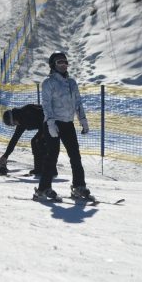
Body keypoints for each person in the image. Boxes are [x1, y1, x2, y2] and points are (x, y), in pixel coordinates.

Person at [34, 52, 92, 201]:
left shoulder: (72, 83)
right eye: (60, 62)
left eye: (65, 62)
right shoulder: (49, 83)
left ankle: (79, 186)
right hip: (53, 123)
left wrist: (83, 120)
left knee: (75, 155)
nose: (64, 64)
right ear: (53, 64)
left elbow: (78, 103)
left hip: (68, 123)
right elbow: (46, 105)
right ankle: (43, 188)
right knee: (52, 155)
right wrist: (50, 123)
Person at [0, 104, 46, 176]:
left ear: (13, 119)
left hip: (51, 121)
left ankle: (48, 169)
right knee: (35, 141)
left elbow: (43, 117)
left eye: (13, 123)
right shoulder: (20, 120)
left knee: (38, 142)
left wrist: (42, 134)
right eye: (13, 125)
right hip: (44, 125)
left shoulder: (26, 114)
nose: (15, 125)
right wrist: (5, 155)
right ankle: (39, 169)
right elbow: (14, 139)